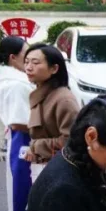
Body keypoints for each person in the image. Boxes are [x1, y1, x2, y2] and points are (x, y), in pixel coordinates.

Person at [0, 35, 33, 211]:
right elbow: (19, 122)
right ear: (13, 58)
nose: (30, 62)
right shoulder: (16, 85)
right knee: (24, 201)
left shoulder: (9, 81)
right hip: (25, 143)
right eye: (26, 56)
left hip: (20, 142)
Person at [24, 43, 80, 182]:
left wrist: (36, 146)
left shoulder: (63, 99)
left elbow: (72, 141)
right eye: (26, 62)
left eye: (35, 62)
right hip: (44, 166)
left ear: (54, 68)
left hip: (60, 170)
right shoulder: (41, 94)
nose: (29, 67)